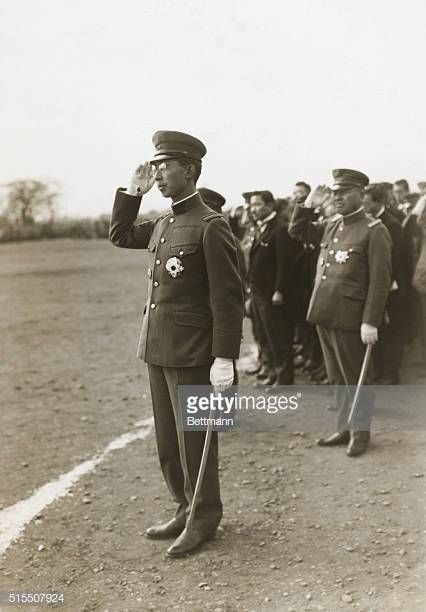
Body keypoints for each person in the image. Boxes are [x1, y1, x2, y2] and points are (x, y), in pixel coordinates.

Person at [109, 131, 244, 557]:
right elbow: (120, 234)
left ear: (190, 170)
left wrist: (225, 357)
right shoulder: (166, 222)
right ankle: (184, 506)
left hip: (195, 352)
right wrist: (133, 190)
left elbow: (228, 298)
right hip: (158, 346)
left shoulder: (211, 225)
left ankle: (204, 518)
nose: (158, 174)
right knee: (169, 441)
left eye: (165, 167)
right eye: (155, 167)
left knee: (196, 439)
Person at [289, 169, 392, 456]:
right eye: (334, 194)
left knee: (354, 377)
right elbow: (297, 231)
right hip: (324, 312)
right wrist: (308, 203)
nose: (338, 199)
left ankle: (360, 432)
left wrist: (370, 321)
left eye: (344, 193)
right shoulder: (333, 225)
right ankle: (343, 426)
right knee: (335, 376)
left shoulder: (374, 230)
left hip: (351, 317)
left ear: (360, 194)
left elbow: (380, 281)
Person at [248, 190, 301, 386]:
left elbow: (284, 264)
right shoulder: (262, 227)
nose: (253, 209)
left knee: (279, 338)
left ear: (270, 206)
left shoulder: (279, 229)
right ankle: (272, 374)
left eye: (258, 205)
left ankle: (284, 380)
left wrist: (279, 290)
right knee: (265, 336)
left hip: (272, 295)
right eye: (252, 205)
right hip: (259, 294)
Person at [364, 183, 407, 383]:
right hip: (376, 284)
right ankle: (380, 370)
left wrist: (387, 284)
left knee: (390, 332)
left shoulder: (391, 224)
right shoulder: (369, 222)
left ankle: (391, 373)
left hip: (391, 286)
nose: (363, 205)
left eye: (367, 202)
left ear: (379, 202)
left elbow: (396, 258)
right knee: (378, 330)